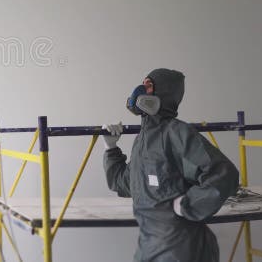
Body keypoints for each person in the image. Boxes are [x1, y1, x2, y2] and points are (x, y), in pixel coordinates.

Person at [102, 68, 239, 261]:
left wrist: (187, 205)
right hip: (149, 247)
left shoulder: (177, 134)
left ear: (163, 94)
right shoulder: (142, 141)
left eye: (149, 85)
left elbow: (224, 174)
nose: (140, 90)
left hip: (181, 250)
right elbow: (124, 183)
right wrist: (111, 149)